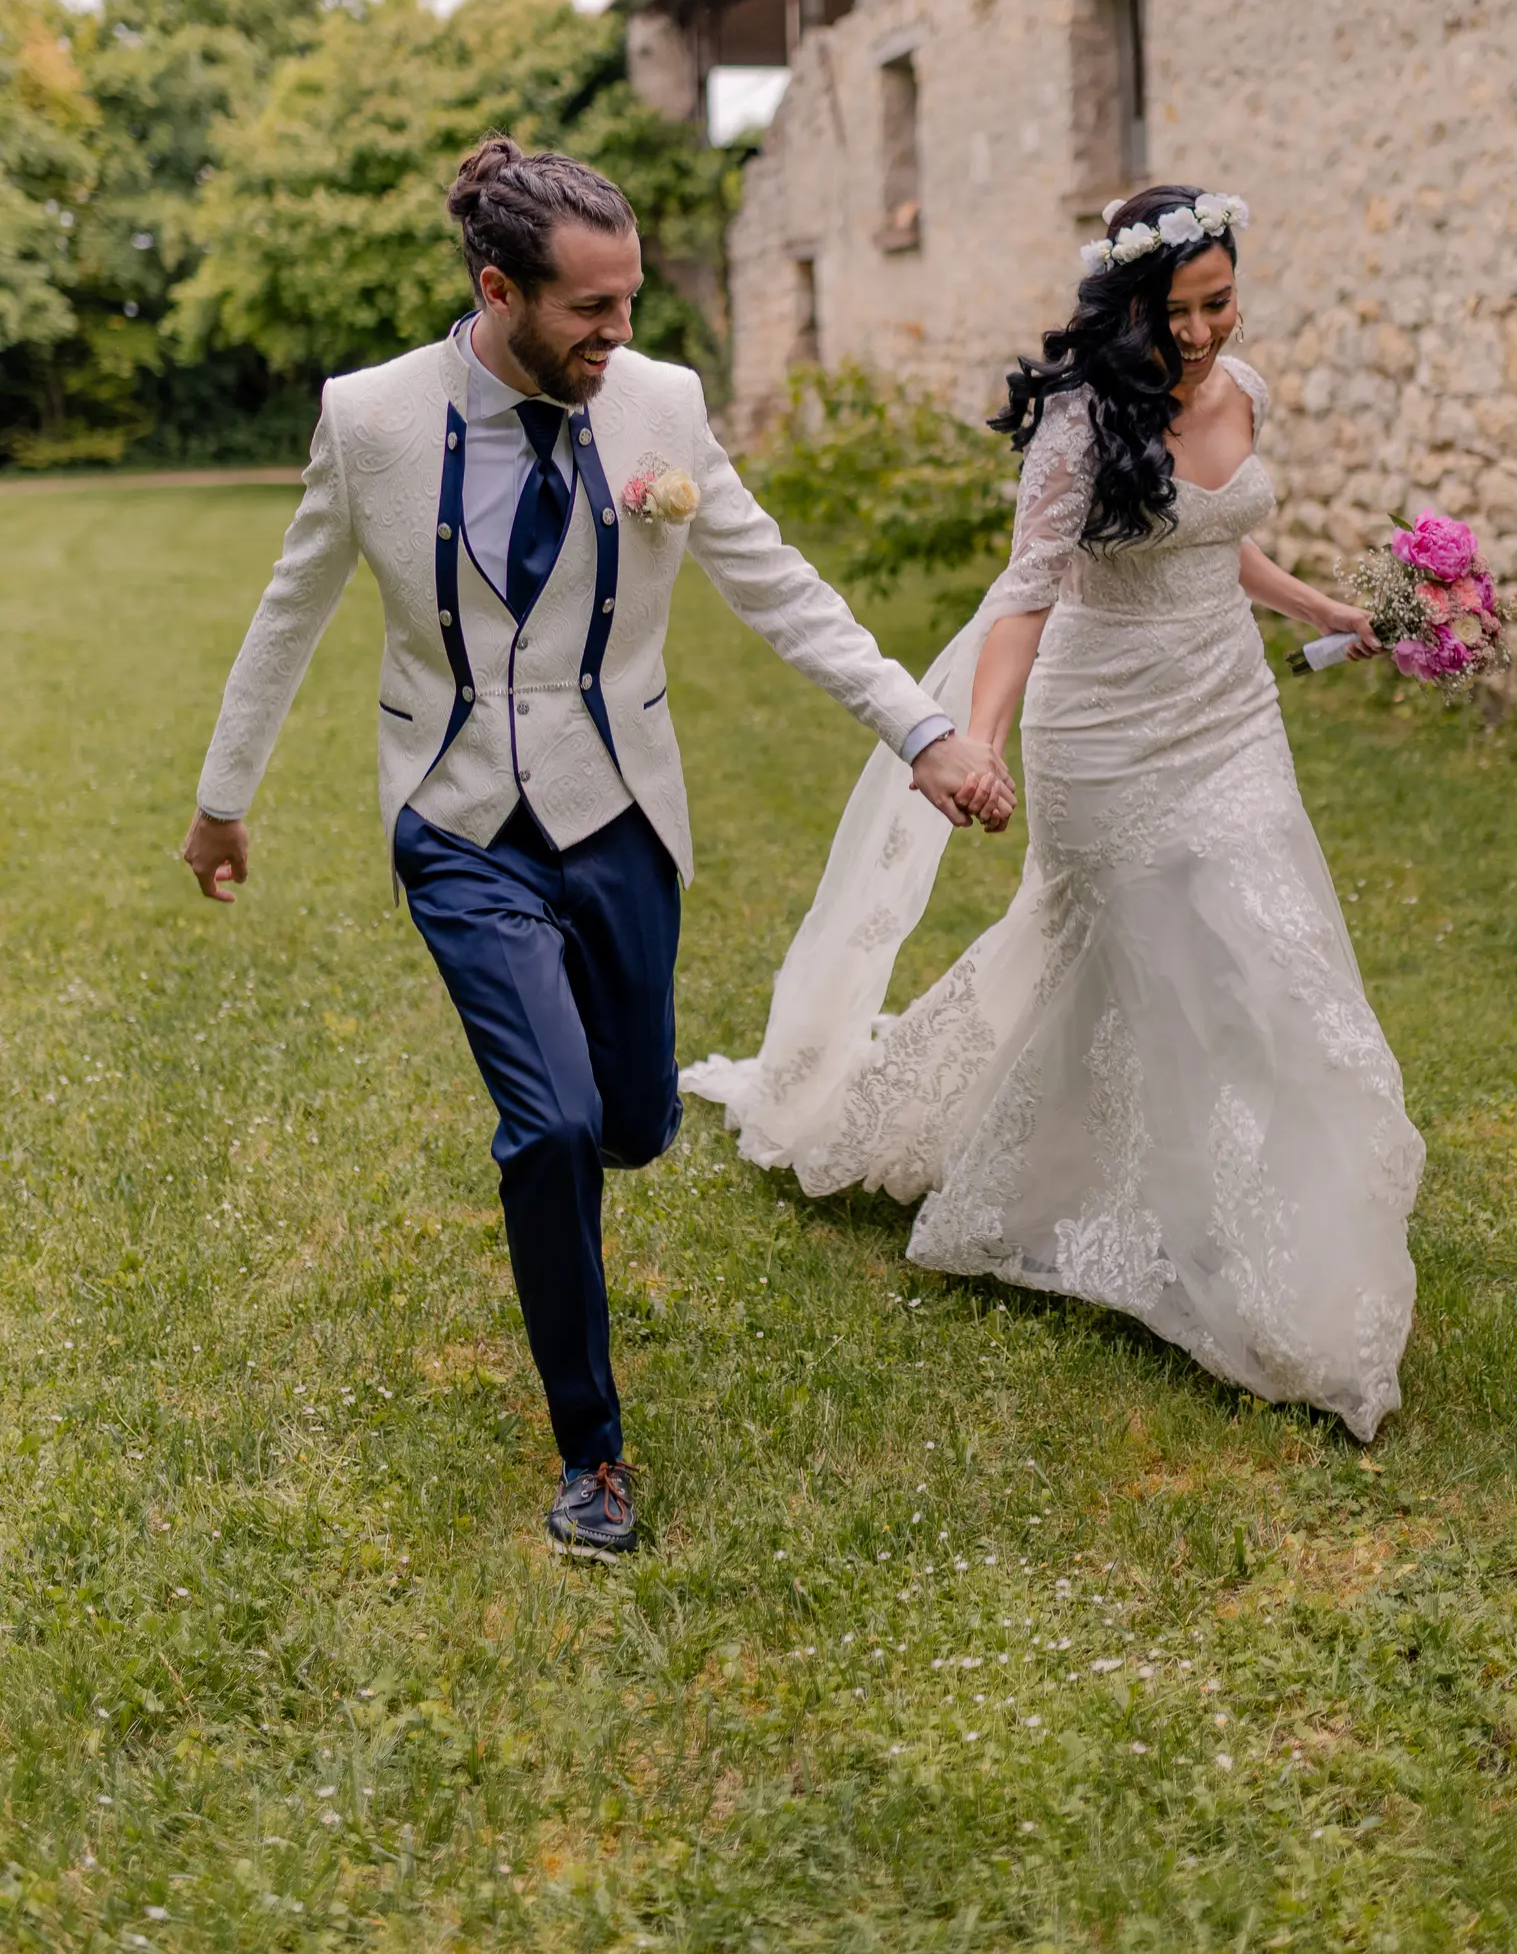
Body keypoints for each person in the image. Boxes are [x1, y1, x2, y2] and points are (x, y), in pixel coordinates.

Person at [183, 137, 1011, 1557]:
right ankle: (592, 1455)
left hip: (621, 812)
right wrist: (221, 796)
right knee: (553, 1129)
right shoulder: (371, 419)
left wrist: (921, 730)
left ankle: (629, 1112)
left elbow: (780, 586)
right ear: (497, 289)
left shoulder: (657, 405)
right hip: (457, 819)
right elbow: (289, 609)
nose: (619, 334)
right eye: (591, 309)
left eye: (630, 303)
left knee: (629, 1119)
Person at [682, 186, 1425, 1441]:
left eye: (1218, 303)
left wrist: (1325, 611)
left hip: (1228, 712)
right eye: (1174, 311)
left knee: (1267, 947)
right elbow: (1027, 593)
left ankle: (1267, 1209)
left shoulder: (1242, 389)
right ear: (1125, 308)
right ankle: (1149, 1207)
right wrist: (974, 736)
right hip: (1105, 726)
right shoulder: (1080, 423)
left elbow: (1213, 542)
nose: (1199, 332)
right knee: (1150, 965)